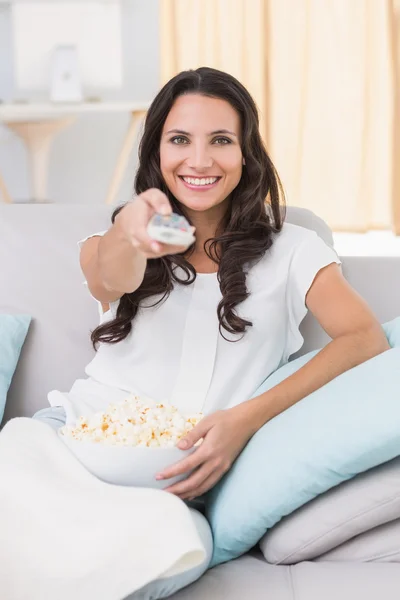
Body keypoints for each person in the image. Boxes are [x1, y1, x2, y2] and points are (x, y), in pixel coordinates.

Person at [33, 66, 389, 598]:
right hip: (71, 447)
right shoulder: (117, 240)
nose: (199, 161)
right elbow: (112, 273)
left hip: (180, 481)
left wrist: (243, 421)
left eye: (220, 140)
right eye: (180, 140)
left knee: (156, 562)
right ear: (156, 152)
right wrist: (132, 230)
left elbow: (365, 339)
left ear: (246, 153)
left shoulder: (293, 251)